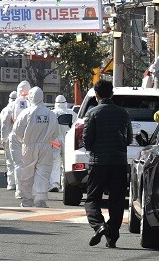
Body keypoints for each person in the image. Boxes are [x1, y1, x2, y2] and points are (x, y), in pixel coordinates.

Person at [83, 80, 132, 248]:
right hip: (119, 162)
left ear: (96, 95)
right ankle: (112, 236)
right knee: (117, 201)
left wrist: (95, 149)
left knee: (92, 200)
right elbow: (129, 138)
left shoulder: (92, 113)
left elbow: (87, 140)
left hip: (98, 163)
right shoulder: (123, 113)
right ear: (112, 94)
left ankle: (99, 225)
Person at [12, 86, 59, 208]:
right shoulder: (50, 113)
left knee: (27, 172)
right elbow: (56, 132)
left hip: (28, 146)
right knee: (43, 172)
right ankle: (40, 200)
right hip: (45, 146)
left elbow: (16, 130)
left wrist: (24, 139)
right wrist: (48, 139)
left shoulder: (26, 112)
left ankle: (27, 200)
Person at [6, 80, 31, 198]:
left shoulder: (12, 105)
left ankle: (20, 191)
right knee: (31, 164)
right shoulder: (34, 104)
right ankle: (30, 191)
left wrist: (4, 138)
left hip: (15, 136)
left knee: (18, 164)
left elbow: (5, 123)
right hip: (31, 136)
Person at [49, 94, 77, 192]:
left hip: (55, 141)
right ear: (65, 103)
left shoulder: (51, 113)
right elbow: (76, 127)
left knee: (55, 162)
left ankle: (54, 184)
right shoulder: (72, 113)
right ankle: (66, 184)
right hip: (68, 140)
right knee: (67, 162)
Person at [0, 90, 17, 190]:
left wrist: (3, 139)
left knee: (10, 162)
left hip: (8, 139)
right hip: (22, 139)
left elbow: (1, 125)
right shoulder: (24, 106)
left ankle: (11, 183)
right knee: (21, 162)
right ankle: (20, 184)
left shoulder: (5, 109)